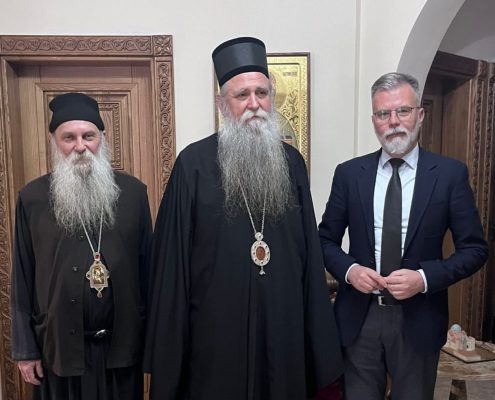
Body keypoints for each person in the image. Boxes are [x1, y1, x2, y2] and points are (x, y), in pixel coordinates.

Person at [144, 37, 343, 399]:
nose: (254, 104)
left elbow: (310, 259)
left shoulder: (292, 164)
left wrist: (316, 344)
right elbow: (172, 267)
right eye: (242, 95)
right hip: (214, 341)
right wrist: (171, 356)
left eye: (261, 93)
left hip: (282, 336)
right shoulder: (192, 166)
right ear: (222, 104)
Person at [318, 72, 488, 400]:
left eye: (403, 111)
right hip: (359, 318)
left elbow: (474, 249)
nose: (393, 121)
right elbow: (324, 240)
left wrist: (423, 278)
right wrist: (351, 271)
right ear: (374, 120)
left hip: (420, 319)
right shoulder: (349, 174)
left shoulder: (449, 175)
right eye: (383, 113)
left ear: (420, 115)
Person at [11, 92, 152, 400]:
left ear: (102, 137)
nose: (80, 146)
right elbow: (22, 275)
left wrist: (154, 343)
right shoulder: (32, 199)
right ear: (54, 140)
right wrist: (25, 349)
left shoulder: (133, 194)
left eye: (88, 136)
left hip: (121, 350)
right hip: (58, 351)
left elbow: (149, 272)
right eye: (69, 137)